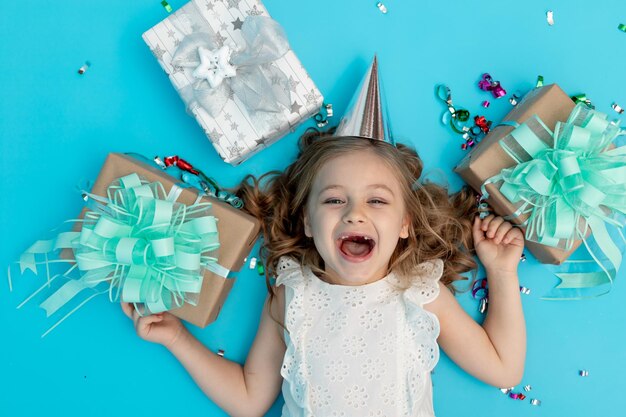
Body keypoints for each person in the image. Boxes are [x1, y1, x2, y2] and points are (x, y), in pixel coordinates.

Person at [122, 133, 526, 417]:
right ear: (309, 223)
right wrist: (177, 339)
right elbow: (249, 399)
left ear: (405, 223)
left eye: (377, 199)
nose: (355, 212)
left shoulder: (418, 290)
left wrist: (502, 271)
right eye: (334, 199)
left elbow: (503, 369)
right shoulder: (292, 293)